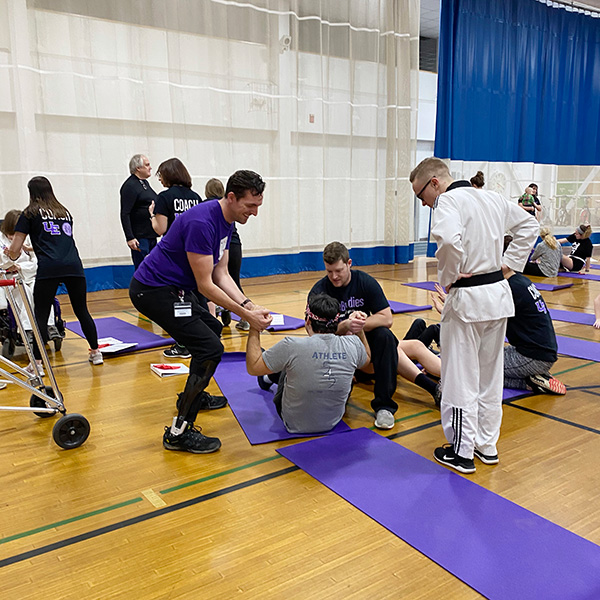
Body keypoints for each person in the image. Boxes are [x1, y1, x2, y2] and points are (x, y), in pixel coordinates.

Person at [410, 157, 538, 474]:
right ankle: (487, 445)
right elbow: (530, 225)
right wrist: (508, 265)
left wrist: (449, 277)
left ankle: (462, 451)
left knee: (460, 378)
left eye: (420, 195)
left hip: (468, 299)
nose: (424, 204)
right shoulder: (492, 197)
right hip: (497, 295)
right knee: (488, 376)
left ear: (435, 182)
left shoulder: (448, 202)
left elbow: (450, 243)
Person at [129, 170, 272, 454]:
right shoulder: (201, 221)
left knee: (212, 330)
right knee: (209, 348)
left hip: (175, 290)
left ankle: (193, 394)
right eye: (250, 206)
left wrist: (249, 306)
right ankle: (178, 431)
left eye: (258, 206)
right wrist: (247, 317)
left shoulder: (228, 221)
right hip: (152, 291)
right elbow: (205, 285)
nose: (255, 213)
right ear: (231, 198)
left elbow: (222, 274)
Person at [309, 242, 440, 429]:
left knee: (386, 336)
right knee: (407, 346)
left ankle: (385, 406)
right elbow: (313, 332)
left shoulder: (365, 282)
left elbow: (387, 319)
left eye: (338, 270)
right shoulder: (320, 289)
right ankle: (434, 387)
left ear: (349, 263)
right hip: (337, 348)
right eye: (329, 271)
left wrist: (360, 323)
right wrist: (345, 325)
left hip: (365, 346)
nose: (334, 276)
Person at [5, 177, 102, 372]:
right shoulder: (64, 212)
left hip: (49, 267)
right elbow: (57, 241)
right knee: (82, 310)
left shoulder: (29, 213)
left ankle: (38, 364)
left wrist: (12, 253)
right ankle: (95, 352)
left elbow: (14, 250)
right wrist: (32, 248)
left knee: (40, 314)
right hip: (74, 265)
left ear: (31, 192)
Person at [246, 293, 370, 434]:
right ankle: (268, 377)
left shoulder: (292, 345)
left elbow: (253, 367)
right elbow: (366, 360)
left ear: (308, 321)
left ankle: (267, 378)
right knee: (305, 362)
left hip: (293, 424)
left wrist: (254, 326)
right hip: (332, 422)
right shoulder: (352, 344)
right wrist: (358, 329)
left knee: (290, 362)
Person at [429, 276, 566, 395]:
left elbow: (480, 321)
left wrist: (449, 312)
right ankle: (535, 376)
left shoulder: (508, 289)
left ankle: (529, 383)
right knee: (481, 358)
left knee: (473, 370)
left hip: (533, 357)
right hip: (535, 352)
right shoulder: (519, 281)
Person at [149, 157, 203, 360]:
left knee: (176, 301)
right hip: (195, 253)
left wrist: (151, 215)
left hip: (173, 256)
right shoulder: (195, 197)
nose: (160, 180)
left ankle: (183, 344)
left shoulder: (164, 197)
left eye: (161, 175)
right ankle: (197, 338)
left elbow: (160, 229)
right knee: (195, 298)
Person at [0, 210, 60, 342]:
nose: (13, 237)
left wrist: (20, 266)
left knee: (42, 293)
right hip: (10, 278)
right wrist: (9, 260)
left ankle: (50, 326)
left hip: (29, 274)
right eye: (11, 234)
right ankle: (27, 329)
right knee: (24, 294)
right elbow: (3, 263)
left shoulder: (28, 237)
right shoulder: (0, 239)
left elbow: (37, 261)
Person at [204, 178, 249, 332]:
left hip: (220, 245)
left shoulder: (208, 206)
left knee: (211, 280)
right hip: (234, 245)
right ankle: (243, 317)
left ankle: (215, 314)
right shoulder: (226, 207)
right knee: (234, 280)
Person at [120, 154, 158, 269]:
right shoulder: (130, 186)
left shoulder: (145, 183)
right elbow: (125, 213)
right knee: (143, 268)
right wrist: (130, 237)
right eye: (147, 165)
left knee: (154, 266)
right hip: (140, 237)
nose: (150, 167)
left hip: (151, 235)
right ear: (138, 168)